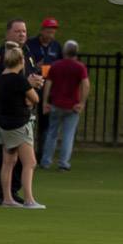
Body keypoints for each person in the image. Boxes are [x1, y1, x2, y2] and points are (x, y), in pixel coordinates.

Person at [0, 19, 43, 205]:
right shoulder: (0, 54)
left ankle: (10, 194)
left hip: (22, 110)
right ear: (8, 33)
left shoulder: (27, 53)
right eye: (18, 31)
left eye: (24, 31)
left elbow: (33, 73)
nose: (22, 34)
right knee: (8, 157)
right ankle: (1, 193)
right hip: (8, 112)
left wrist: (36, 80)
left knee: (12, 159)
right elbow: (1, 82)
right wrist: (28, 84)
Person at [41, 40, 91, 171]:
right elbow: (86, 85)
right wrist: (82, 102)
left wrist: (45, 101)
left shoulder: (56, 65)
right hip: (72, 105)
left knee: (51, 133)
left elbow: (48, 84)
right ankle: (63, 163)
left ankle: (46, 161)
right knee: (68, 135)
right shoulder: (80, 67)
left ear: (64, 52)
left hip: (56, 104)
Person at [26, 17, 62, 166]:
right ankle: (29, 152)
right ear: (42, 31)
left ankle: (42, 154)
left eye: (53, 32)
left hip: (49, 88)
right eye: (48, 31)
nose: (51, 35)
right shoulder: (31, 44)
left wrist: (49, 69)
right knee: (30, 121)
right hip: (34, 86)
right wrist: (39, 67)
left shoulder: (56, 46)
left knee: (46, 124)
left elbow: (59, 65)